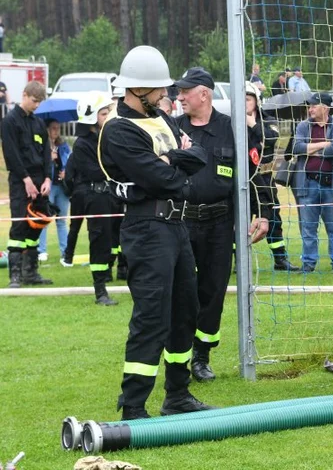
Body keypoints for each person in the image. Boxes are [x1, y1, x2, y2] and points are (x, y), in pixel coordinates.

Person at [98, 45, 213, 419]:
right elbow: (162, 179)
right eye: (160, 90)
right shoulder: (119, 130)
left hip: (177, 226)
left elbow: (197, 158)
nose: (167, 96)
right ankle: (133, 405)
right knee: (152, 316)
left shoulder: (161, 120)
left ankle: (177, 394)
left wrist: (171, 160)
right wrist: (173, 164)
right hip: (147, 229)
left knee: (185, 310)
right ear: (136, 91)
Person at [174, 66, 269, 382]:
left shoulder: (232, 129)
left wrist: (262, 213)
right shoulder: (173, 129)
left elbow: (253, 176)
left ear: (204, 93)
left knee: (213, 292)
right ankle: (179, 359)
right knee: (183, 292)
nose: (180, 96)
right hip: (183, 222)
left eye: (185, 91)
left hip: (219, 224)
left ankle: (201, 357)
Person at [67, 92, 122, 305]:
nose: (108, 116)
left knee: (112, 240)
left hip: (110, 196)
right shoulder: (82, 145)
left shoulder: (106, 138)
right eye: (104, 113)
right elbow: (95, 172)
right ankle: (100, 292)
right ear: (91, 116)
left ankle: (112, 278)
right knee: (99, 242)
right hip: (95, 197)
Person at [2, 80, 52, 287]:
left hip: (40, 182)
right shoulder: (9, 122)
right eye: (34, 101)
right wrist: (26, 180)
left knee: (37, 225)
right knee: (20, 225)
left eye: (40, 102)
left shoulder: (38, 123)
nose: (37, 105)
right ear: (24, 95)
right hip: (20, 181)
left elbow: (47, 152)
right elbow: (11, 154)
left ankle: (30, 272)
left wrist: (48, 177)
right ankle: (15, 274)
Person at [247, 82, 298, 271]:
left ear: (256, 101)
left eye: (248, 99)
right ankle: (237, 262)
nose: (244, 103)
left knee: (273, 219)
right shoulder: (231, 123)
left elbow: (270, 138)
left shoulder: (268, 120)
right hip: (242, 181)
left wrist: (252, 124)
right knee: (238, 220)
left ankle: (280, 259)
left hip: (265, 180)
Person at [294, 92, 333, 271]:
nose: (310, 109)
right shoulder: (303, 126)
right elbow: (297, 147)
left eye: (314, 106)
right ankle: (308, 264)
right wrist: (324, 144)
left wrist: (312, 149)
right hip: (308, 185)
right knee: (308, 229)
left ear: (325, 107)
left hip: (331, 185)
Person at [37, 118, 72, 262]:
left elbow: (70, 161)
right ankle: (42, 251)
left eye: (58, 128)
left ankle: (65, 251)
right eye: (53, 128)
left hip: (62, 188)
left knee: (62, 220)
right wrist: (48, 158)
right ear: (47, 129)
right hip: (49, 187)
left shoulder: (63, 146)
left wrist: (66, 172)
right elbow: (37, 163)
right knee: (44, 219)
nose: (56, 131)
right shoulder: (42, 146)